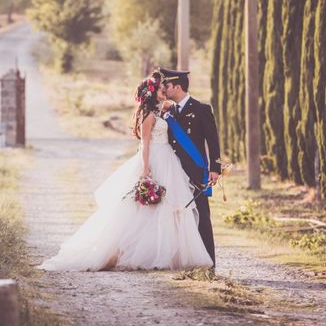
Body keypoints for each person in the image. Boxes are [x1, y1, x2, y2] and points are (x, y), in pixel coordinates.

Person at [38, 71, 213, 271]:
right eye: (160, 88)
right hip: (155, 159)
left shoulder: (161, 111)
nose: (164, 90)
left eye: (165, 87)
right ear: (153, 92)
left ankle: (169, 253)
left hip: (168, 160)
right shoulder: (148, 116)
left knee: (169, 208)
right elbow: (145, 145)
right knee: (148, 210)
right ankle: (137, 253)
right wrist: (146, 169)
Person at [159, 68, 221, 268]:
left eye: (166, 85)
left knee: (202, 216)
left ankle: (209, 263)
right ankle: (186, 260)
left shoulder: (201, 109)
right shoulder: (170, 111)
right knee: (179, 217)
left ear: (177, 87)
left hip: (195, 171)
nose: (164, 89)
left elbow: (213, 140)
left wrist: (215, 168)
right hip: (175, 172)